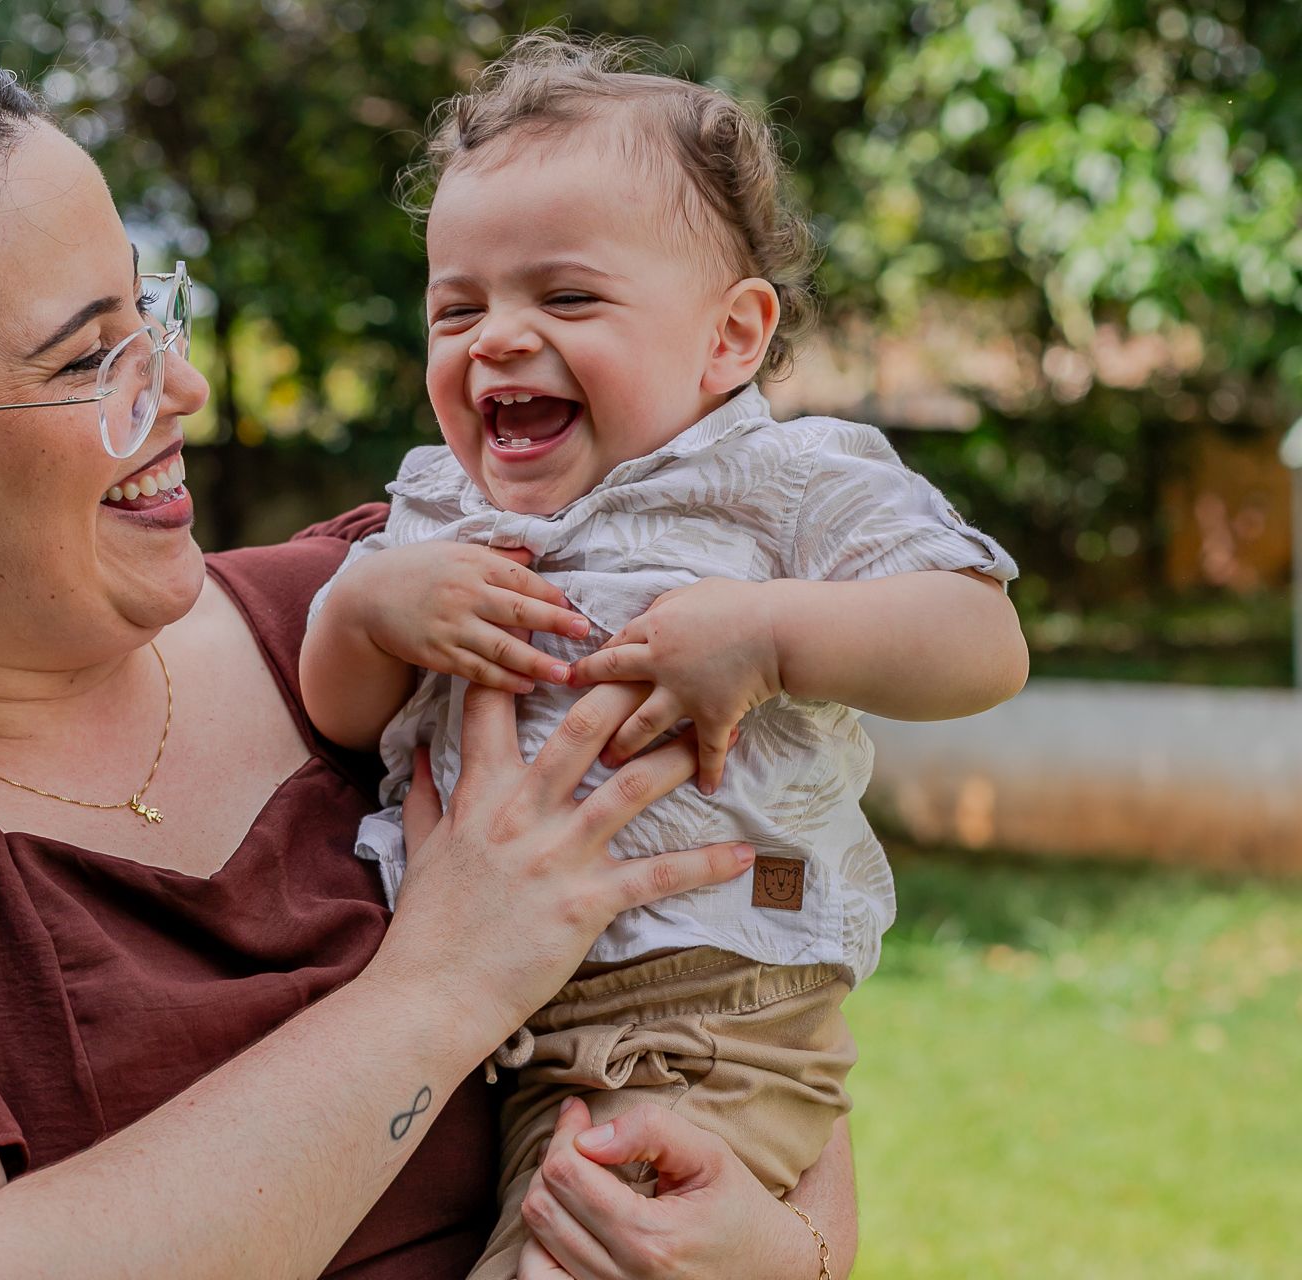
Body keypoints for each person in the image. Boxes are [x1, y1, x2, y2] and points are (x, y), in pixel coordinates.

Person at [0, 46, 860, 1280]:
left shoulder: (412, 615)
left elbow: (749, 978)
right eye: (83, 359)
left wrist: (785, 1251)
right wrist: (441, 985)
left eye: (148, 314)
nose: (182, 387)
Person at [299, 34, 1029, 1280]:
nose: (496, 339)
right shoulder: (434, 509)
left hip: (713, 1006)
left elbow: (981, 639)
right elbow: (343, 713)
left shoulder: (783, 480)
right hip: (502, 1017)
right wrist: (366, 612)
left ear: (730, 337)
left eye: (567, 298)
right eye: (457, 308)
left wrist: (772, 634)